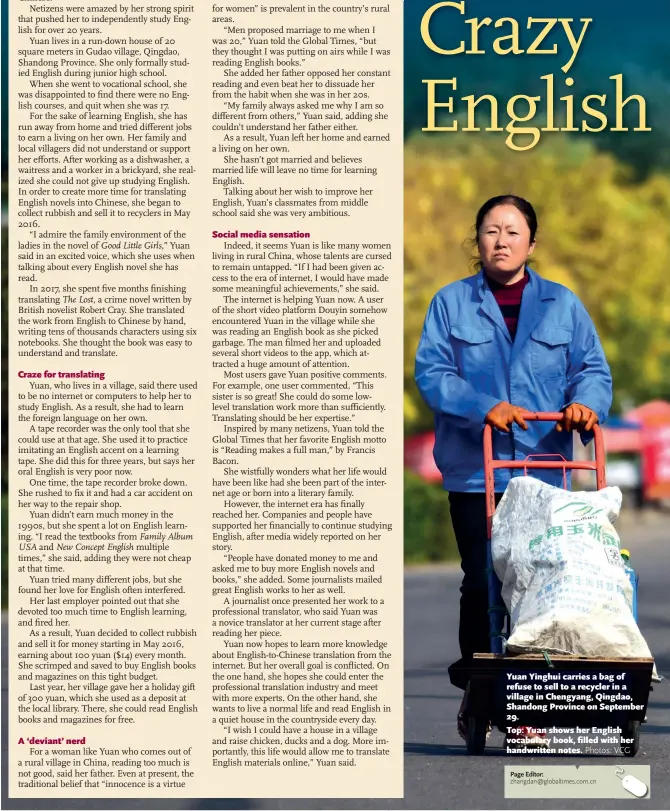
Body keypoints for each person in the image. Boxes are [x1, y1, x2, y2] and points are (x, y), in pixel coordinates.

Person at [414, 195, 613, 743]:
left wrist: (585, 404)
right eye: (490, 231)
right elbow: (432, 372)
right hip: (476, 472)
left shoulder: (562, 305)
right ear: (476, 241)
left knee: (538, 585)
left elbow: (591, 368)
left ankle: (530, 705)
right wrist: (485, 406)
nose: (501, 240)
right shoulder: (451, 303)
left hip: (543, 470)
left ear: (532, 241)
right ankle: (481, 689)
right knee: (482, 582)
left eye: (512, 231)